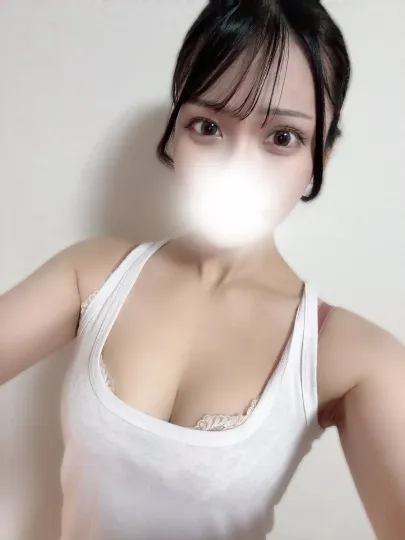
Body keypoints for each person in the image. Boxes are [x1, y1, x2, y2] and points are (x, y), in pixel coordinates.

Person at [1, 1, 404, 539]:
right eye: (208, 126)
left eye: (282, 136)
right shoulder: (93, 274)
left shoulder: (351, 356)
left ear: (321, 157)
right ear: (176, 133)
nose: (237, 168)